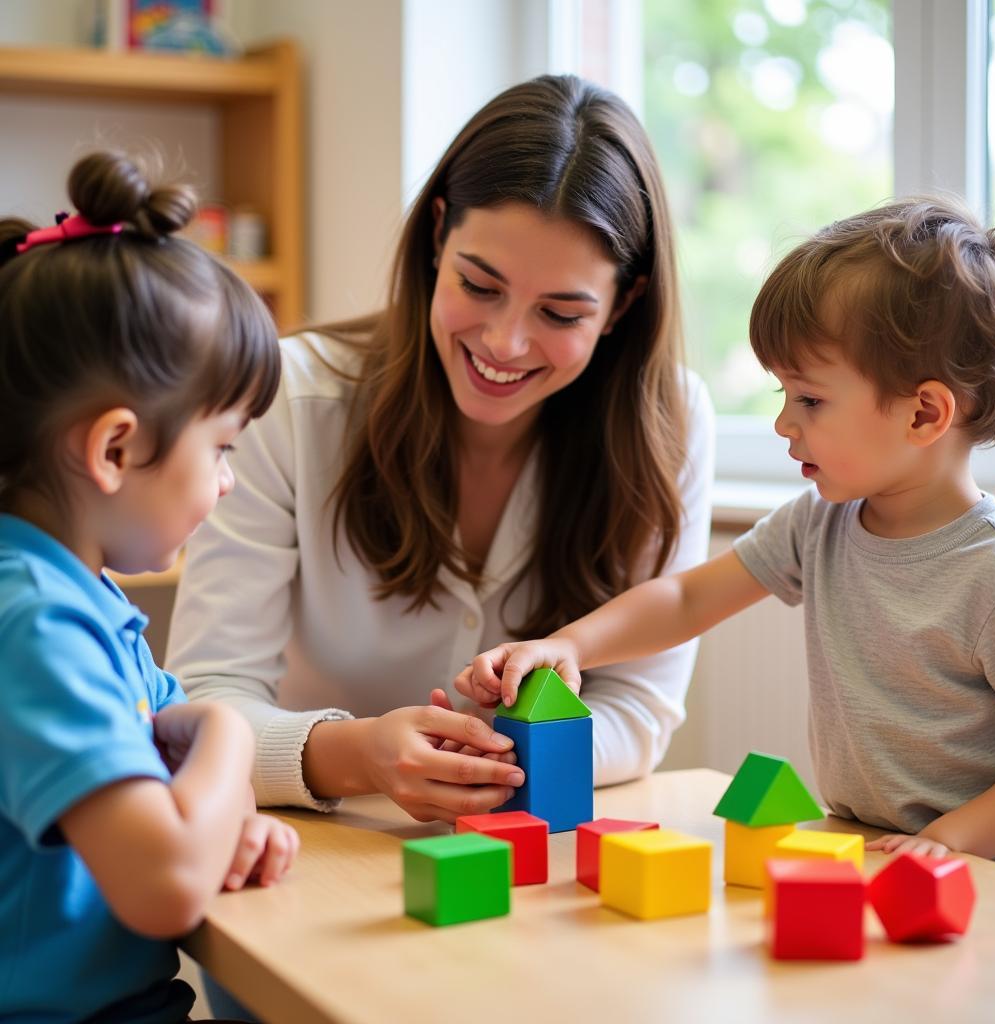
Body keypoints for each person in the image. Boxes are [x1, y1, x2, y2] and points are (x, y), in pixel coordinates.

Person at [166, 74, 715, 824]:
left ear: (622, 304)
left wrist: (495, 761)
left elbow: (641, 708)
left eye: (560, 311)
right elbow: (204, 702)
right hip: (312, 848)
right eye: (479, 285)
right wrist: (357, 755)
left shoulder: (671, 422)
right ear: (436, 236)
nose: (504, 342)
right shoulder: (288, 401)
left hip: (533, 855)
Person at [457, 197, 995, 868]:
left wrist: (948, 841)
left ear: (924, 413)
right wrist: (570, 645)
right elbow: (686, 601)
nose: (785, 423)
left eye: (809, 399)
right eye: (784, 395)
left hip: (975, 874)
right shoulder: (820, 523)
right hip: (864, 847)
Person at [0, 150, 297, 1024]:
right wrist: (230, 728)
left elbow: (206, 800)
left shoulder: (86, 602)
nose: (229, 482)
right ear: (115, 450)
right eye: (224, 449)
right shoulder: (34, 624)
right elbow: (168, 884)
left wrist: (220, 815)